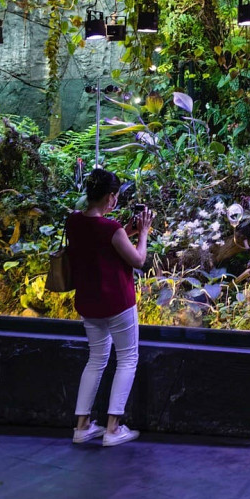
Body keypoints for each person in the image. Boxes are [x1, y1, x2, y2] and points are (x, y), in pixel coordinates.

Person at [67, 168, 151, 447]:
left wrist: (127, 231)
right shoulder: (111, 229)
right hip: (117, 303)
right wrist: (143, 233)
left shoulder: (74, 221)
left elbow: (100, 243)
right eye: (115, 196)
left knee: (96, 359)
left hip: (89, 303)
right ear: (110, 197)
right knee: (127, 359)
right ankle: (113, 429)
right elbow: (138, 260)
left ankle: (82, 426)